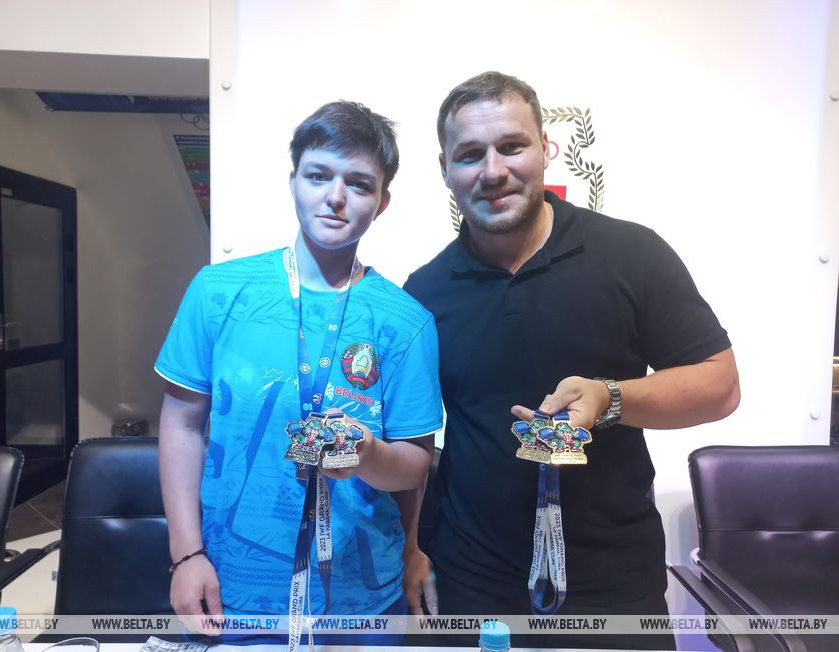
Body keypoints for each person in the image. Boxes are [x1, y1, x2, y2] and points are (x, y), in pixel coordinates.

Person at [403, 71, 740, 649]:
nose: (493, 171)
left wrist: (611, 397)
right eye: (470, 154)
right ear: (444, 168)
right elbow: (411, 436)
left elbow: (721, 386)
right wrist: (412, 548)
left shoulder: (631, 253)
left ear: (545, 148)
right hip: (470, 581)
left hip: (613, 585)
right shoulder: (424, 292)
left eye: (512, 146)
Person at [156, 100, 443, 645]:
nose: (336, 196)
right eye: (318, 175)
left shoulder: (406, 322)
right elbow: (182, 425)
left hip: (363, 599)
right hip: (231, 590)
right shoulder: (218, 291)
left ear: (382, 202)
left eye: (359, 184)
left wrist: (369, 456)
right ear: (293, 181)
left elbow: (414, 466)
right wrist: (185, 554)